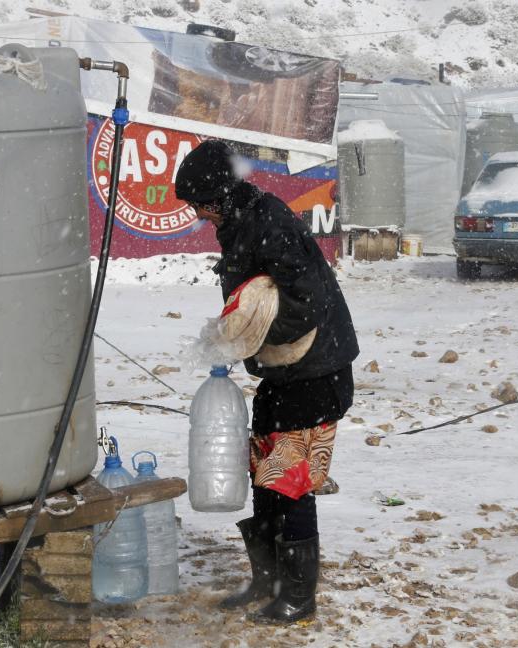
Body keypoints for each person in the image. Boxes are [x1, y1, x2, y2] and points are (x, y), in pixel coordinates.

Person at [174, 140, 359, 624]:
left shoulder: (267, 222)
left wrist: (251, 339)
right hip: (286, 371)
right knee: (264, 471)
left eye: (198, 204)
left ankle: (298, 596)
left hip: (316, 371)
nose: (197, 214)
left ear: (217, 197)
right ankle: (268, 582)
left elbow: (307, 301)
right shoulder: (239, 221)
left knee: (289, 479)